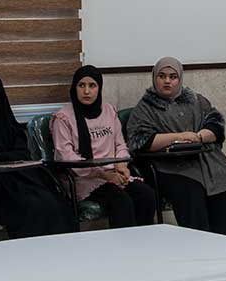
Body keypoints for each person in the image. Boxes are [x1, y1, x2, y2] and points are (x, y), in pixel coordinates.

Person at [123, 57, 226, 238]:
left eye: (173, 77)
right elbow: (140, 141)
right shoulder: (145, 108)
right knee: (190, 191)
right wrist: (179, 137)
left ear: (180, 78)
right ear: (154, 78)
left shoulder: (196, 100)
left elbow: (216, 125)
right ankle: (199, 248)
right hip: (171, 167)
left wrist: (200, 136)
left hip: (207, 160)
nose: (167, 81)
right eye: (162, 76)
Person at [0, 73, 78, 240]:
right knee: (30, 205)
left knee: (54, 202)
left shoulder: (8, 123)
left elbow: (22, 153)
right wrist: (1, 158)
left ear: (0, 96)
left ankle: (61, 248)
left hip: (19, 178)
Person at [51, 64, 157, 229]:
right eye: (81, 85)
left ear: (99, 88)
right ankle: (122, 244)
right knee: (121, 201)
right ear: (74, 88)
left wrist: (121, 165)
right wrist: (103, 175)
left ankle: (142, 242)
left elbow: (120, 144)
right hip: (83, 179)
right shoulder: (63, 118)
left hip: (113, 174)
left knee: (146, 195)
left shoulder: (109, 111)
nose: (87, 91)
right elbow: (67, 158)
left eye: (92, 85)